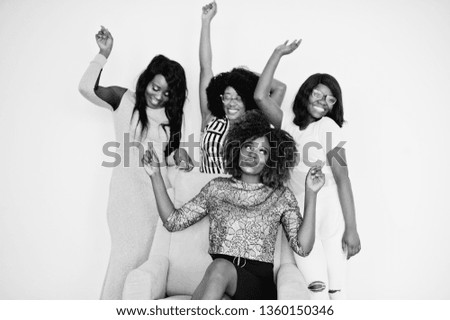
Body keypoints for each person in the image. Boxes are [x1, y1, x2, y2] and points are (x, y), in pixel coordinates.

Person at [142, 110, 325, 300]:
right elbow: (173, 221)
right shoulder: (217, 188)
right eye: (248, 146)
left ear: (271, 160)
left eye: (262, 151)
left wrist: (311, 194)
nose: (252, 154)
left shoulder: (280, 195)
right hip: (219, 280)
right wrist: (155, 175)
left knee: (219, 267)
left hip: (256, 285)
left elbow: (303, 248)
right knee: (218, 270)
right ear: (237, 149)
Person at [78, 26, 188, 299]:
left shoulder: (172, 118)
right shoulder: (123, 99)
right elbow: (85, 88)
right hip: (126, 199)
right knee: (123, 263)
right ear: (147, 80)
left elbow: (168, 157)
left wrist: (180, 157)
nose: (159, 96)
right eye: (156, 87)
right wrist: (103, 55)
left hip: (155, 202)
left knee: (141, 271)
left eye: (167, 93)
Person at [254, 40, 361, 299]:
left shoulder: (328, 128)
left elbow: (342, 179)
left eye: (330, 99)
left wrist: (352, 227)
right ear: (307, 92)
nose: (323, 102)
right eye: (318, 94)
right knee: (316, 290)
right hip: (301, 215)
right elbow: (259, 96)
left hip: (330, 212)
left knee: (338, 291)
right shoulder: (286, 125)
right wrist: (277, 53)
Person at [194, 1, 286, 174]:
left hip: (239, 196)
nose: (231, 102)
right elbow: (205, 67)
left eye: (238, 97)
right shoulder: (211, 119)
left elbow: (279, 88)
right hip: (206, 193)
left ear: (246, 100)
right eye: (227, 96)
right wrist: (206, 22)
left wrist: (244, 76)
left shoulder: (257, 124)